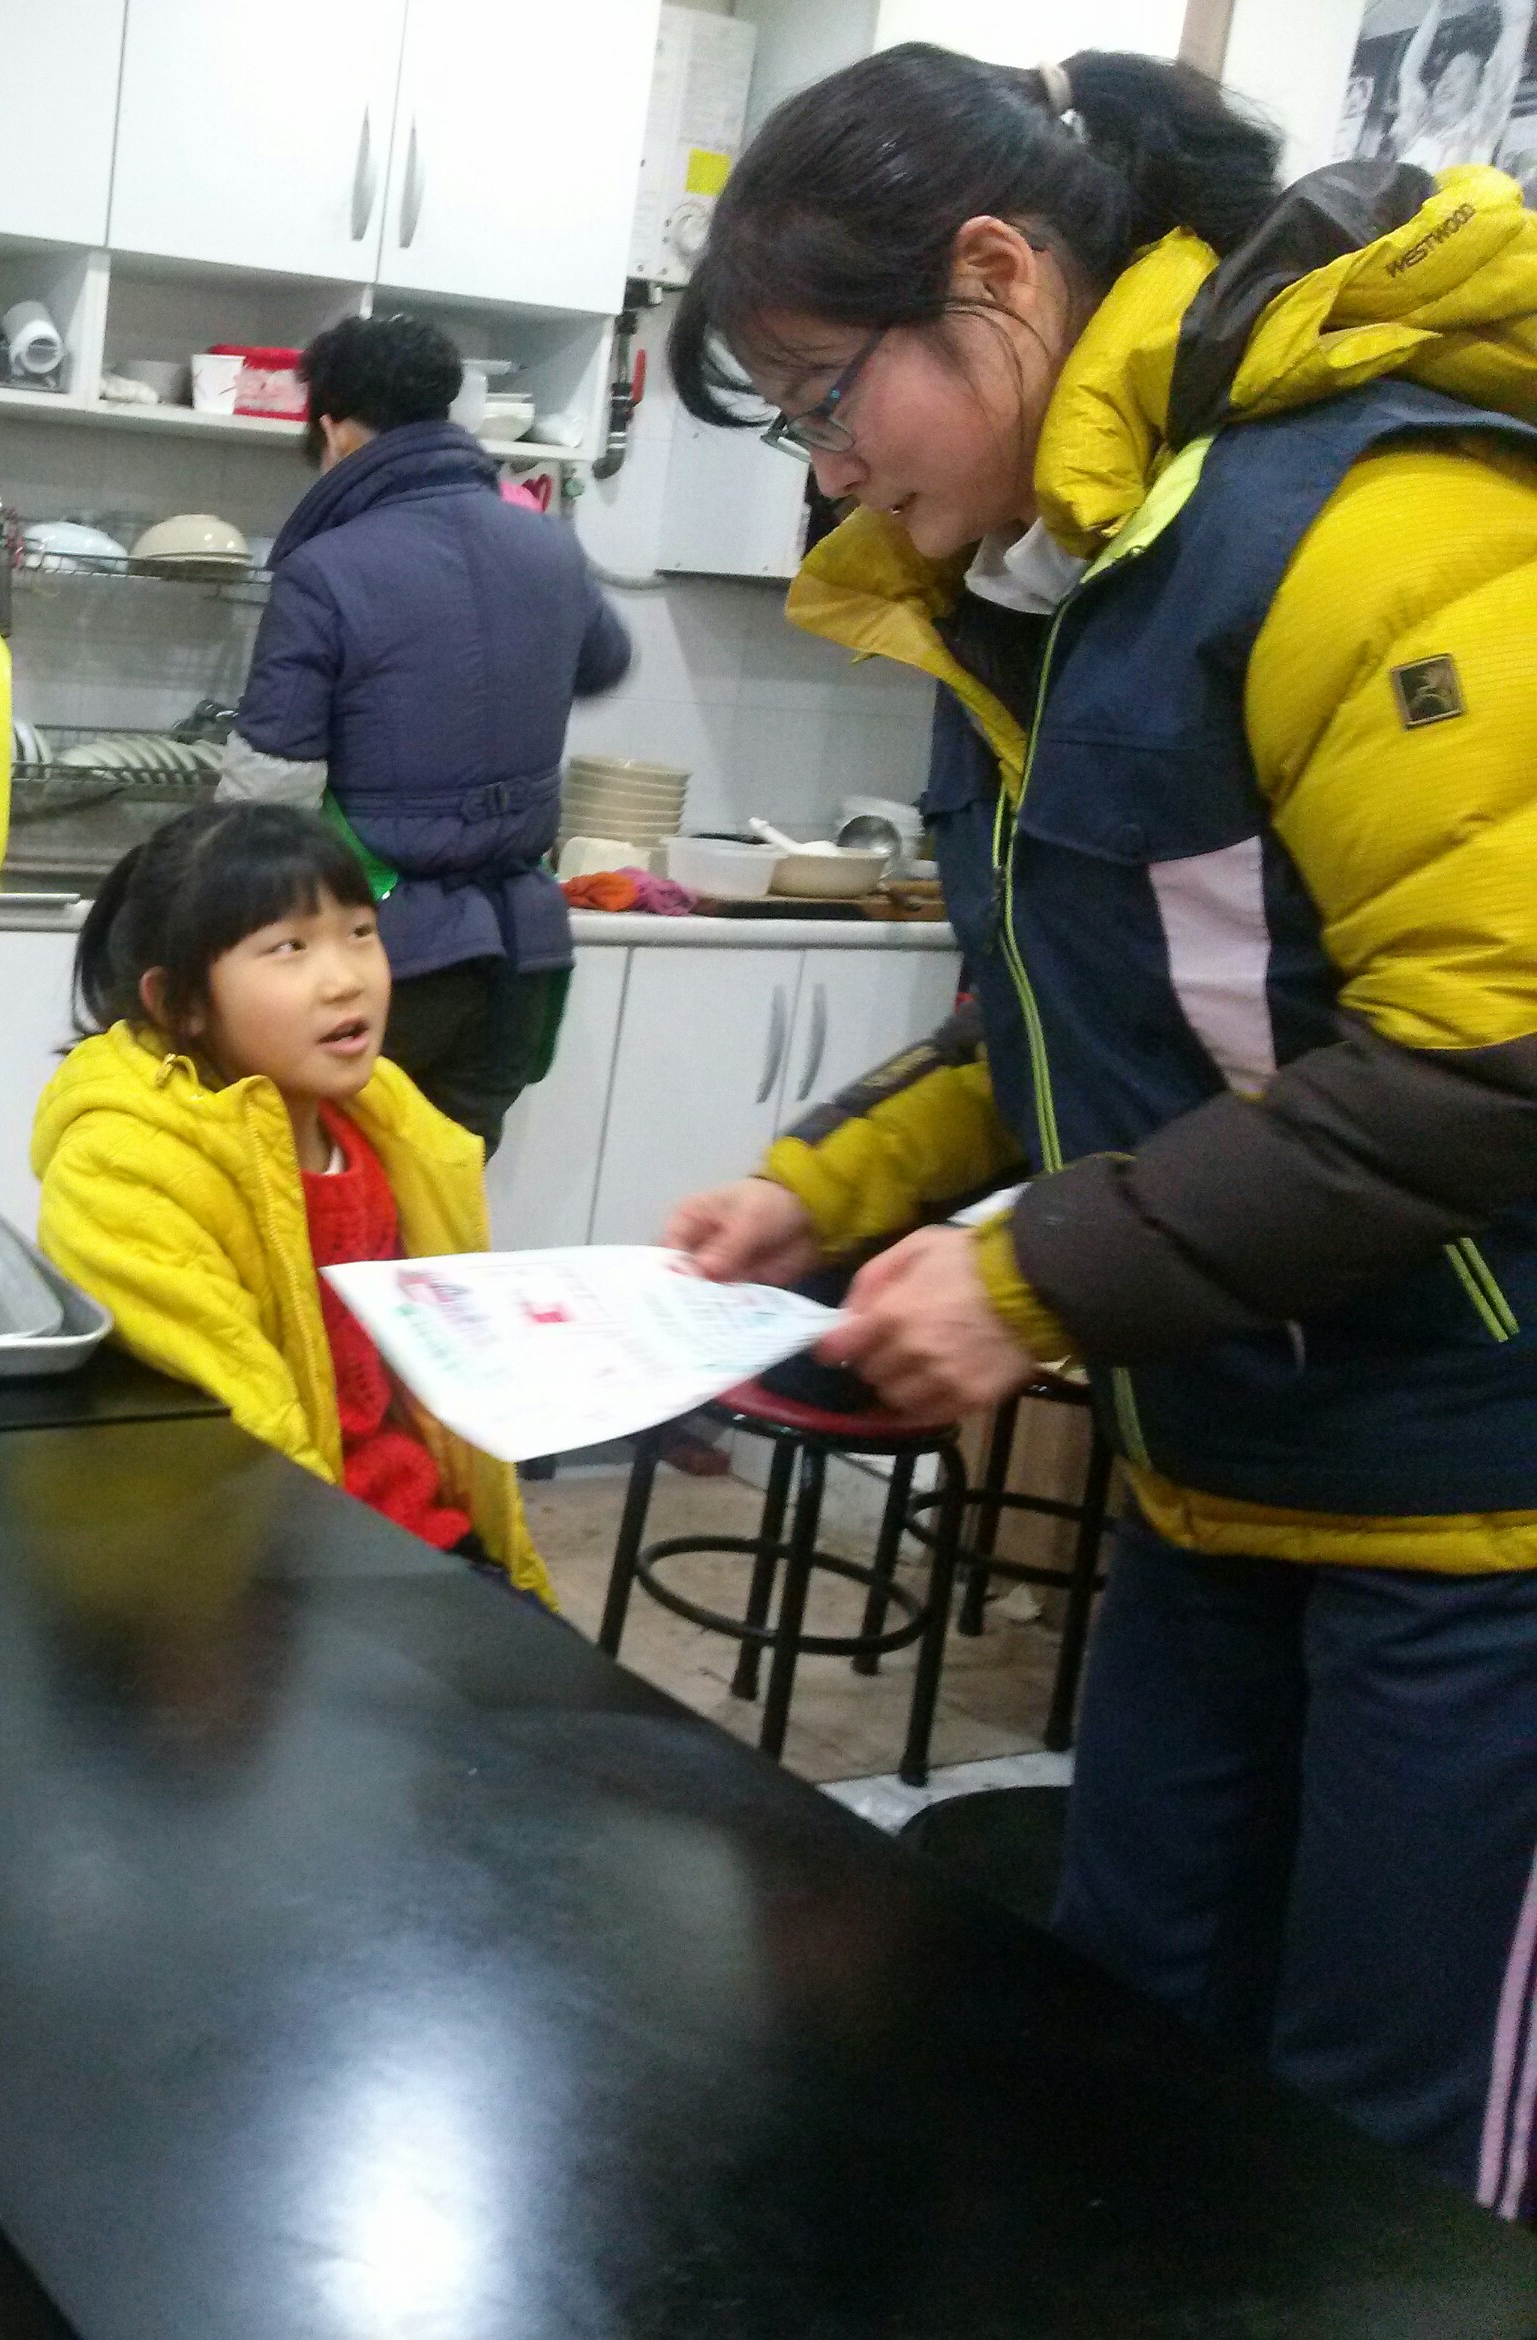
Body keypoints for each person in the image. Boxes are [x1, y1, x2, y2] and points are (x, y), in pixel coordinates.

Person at [659, 43, 1537, 2207]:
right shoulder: (1047, 595)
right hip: (1221, 1469)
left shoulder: (1373, 530)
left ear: (995, 274)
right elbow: (1068, 1020)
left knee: (1380, 2159)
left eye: (826, 394)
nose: (829, 467)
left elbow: (1490, 1057)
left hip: (1475, 1517)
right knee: (1135, 2046)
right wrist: (818, 1190)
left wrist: (1035, 1276)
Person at [30, 802, 550, 1604]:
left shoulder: (386, 1122)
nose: (346, 978)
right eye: (289, 948)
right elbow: (253, 1451)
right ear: (179, 1003)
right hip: (279, 1576)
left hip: (422, 1528)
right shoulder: (124, 1168)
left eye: (360, 932)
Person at [219, 312, 634, 1153]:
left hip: (381, 964)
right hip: (521, 957)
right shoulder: (549, 547)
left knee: (328, 1204)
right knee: (442, 1208)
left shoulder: (325, 569)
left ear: (334, 429)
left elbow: (269, 790)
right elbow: (605, 662)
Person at [1392, 0, 1534, 171]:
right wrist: (1437, 9)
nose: (1446, 82)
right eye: (1445, 75)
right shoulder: (1417, 131)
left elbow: (1516, 25)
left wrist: (1516, 19)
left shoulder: (1477, 130)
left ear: (1477, 92)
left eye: (1461, 74)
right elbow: (1408, 74)